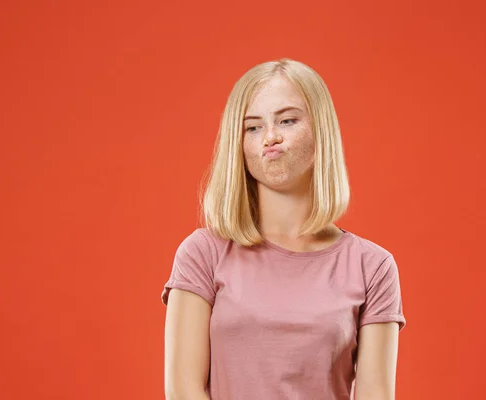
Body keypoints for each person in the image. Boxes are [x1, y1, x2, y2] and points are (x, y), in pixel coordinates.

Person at [160, 58, 406, 400]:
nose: (270, 137)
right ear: (239, 144)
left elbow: (374, 394)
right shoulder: (203, 253)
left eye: (287, 120)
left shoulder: (372, 267)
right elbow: (183, 389)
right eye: (253, 127)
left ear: (321, 130)